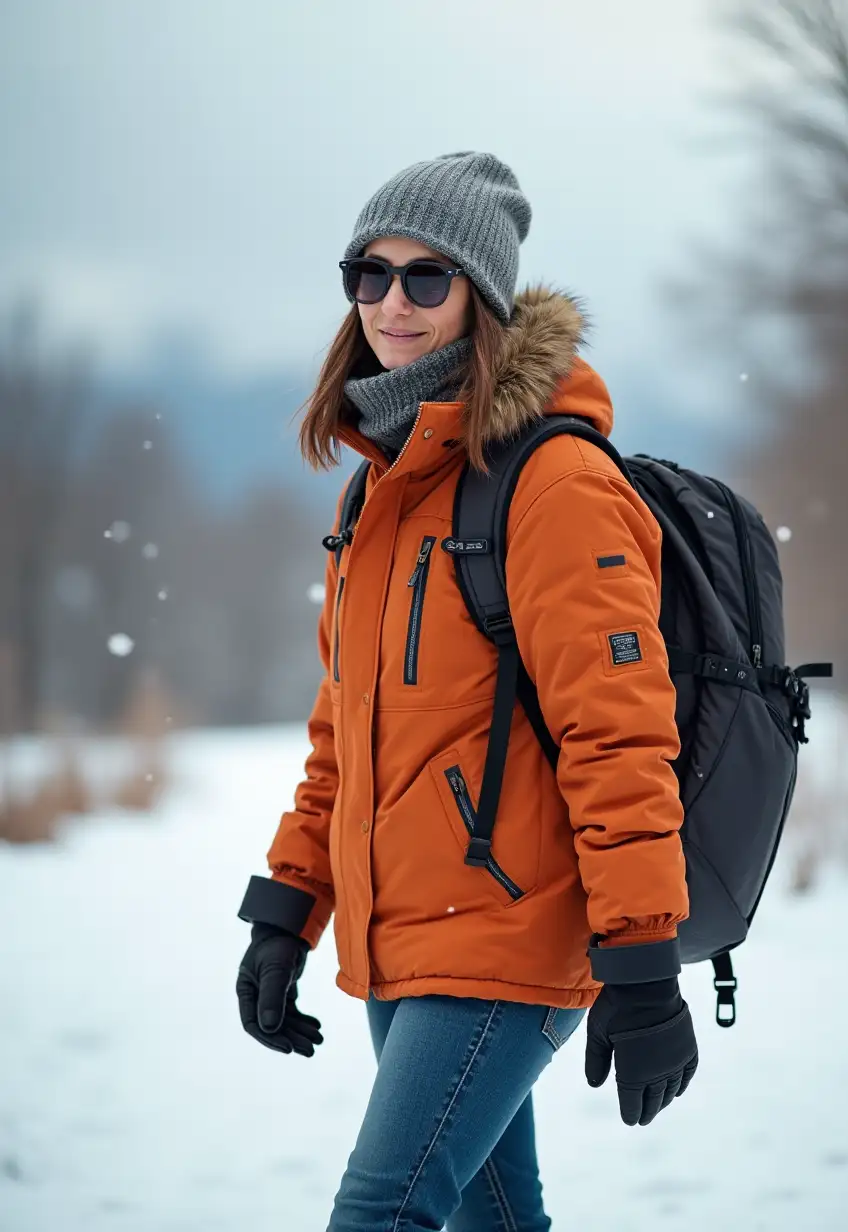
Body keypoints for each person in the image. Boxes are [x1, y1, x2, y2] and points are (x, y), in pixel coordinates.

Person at [236, 151, 698, 1232]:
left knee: (381, 1212)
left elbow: (618, 734)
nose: (392, 302)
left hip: (509, 925)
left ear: (480, 298)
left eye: (427, 277)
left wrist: (641, 956)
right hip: (409, 929)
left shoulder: (556, 484)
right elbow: (344, 732)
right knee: (495, 1217)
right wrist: (287, 912)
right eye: (370, 273)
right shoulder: (382, 487)